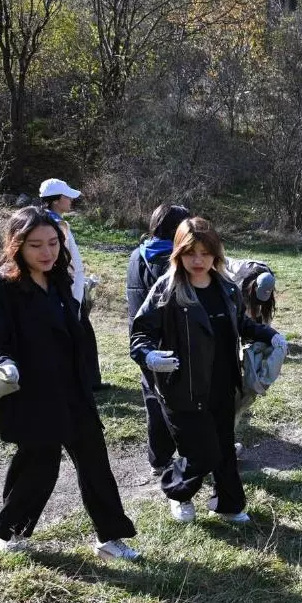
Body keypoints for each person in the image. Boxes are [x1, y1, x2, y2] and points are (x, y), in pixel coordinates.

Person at [0, 207, 139, 561]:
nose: (46, 252)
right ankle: (8, 530)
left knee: (96, 464)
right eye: (36, 245)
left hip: (72, 391)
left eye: (53, 243)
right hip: (31, 396)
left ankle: (111, 537)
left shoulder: (60, 280)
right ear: (16, 246)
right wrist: (7, 366)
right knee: (39, 466)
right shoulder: (2, 287)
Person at [130, 217, 286, 524]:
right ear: (178, 254)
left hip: (223, 383)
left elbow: (240, 323)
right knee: (200, 452)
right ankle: (179, 494)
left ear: (216, 253)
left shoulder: (227, 289)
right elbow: (139, 334)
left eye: (205, 252)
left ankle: (229, 504)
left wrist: (270, 335)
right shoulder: (168, 288)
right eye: (190, 253)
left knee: (224, 448)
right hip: (181, 387)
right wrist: (149, 356)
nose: (198, 260)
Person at [126, 203, 191, 473]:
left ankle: (159, 459)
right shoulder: (174, 260)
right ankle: (190, 453)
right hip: (173, 343)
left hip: (142, 340)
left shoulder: (136, 255)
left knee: (153, 398)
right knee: (182, 402)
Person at [39, 178, 109, 391]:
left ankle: (87, 380)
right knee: (76, 334)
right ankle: (82, 381)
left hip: (68, 288)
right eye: (67, 196)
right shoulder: (56, 225)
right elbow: (64, 263)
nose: (71, 200)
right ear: (57, 200)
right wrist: (74, 294)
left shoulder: (46, 221)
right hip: (66, 290)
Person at [225, 257, 277, 325]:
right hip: (237, 286)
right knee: (245, 313)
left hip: (250, 290)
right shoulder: (241, 268)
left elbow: (267, 309)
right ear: (255, 287)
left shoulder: (270, 280)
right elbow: (228, 262)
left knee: (265, 309)